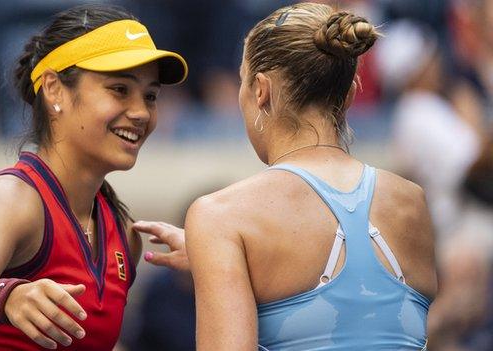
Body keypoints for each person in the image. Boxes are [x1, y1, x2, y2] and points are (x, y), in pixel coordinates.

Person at [139, 3, 437, 350]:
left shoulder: (220, 216)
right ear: (350, 95)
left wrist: (219, 251)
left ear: (261, 90)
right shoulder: (412, 201)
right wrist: (218, 260)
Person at [0, 4, 187, 350]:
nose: (141, 112)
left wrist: (218, 263)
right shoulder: (11, 198)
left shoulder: (123, 233)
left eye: (150, 96)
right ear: (54, 89)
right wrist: (9, 297)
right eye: (119, 89)